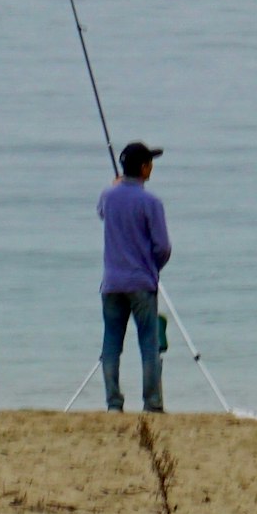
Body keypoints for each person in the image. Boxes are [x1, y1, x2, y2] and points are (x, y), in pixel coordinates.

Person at [98, 141, 173, 414]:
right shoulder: (151, 202)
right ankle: (152, 403)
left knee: (111, 344)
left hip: (111, 283)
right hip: (141, 282)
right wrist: (153, 268)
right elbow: (163, 247)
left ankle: (113, 403)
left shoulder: (108, 196)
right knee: (149, 344)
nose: (152, 167)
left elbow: (102, 211)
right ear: (143, 168)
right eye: (150, 163)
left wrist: (115, 186)